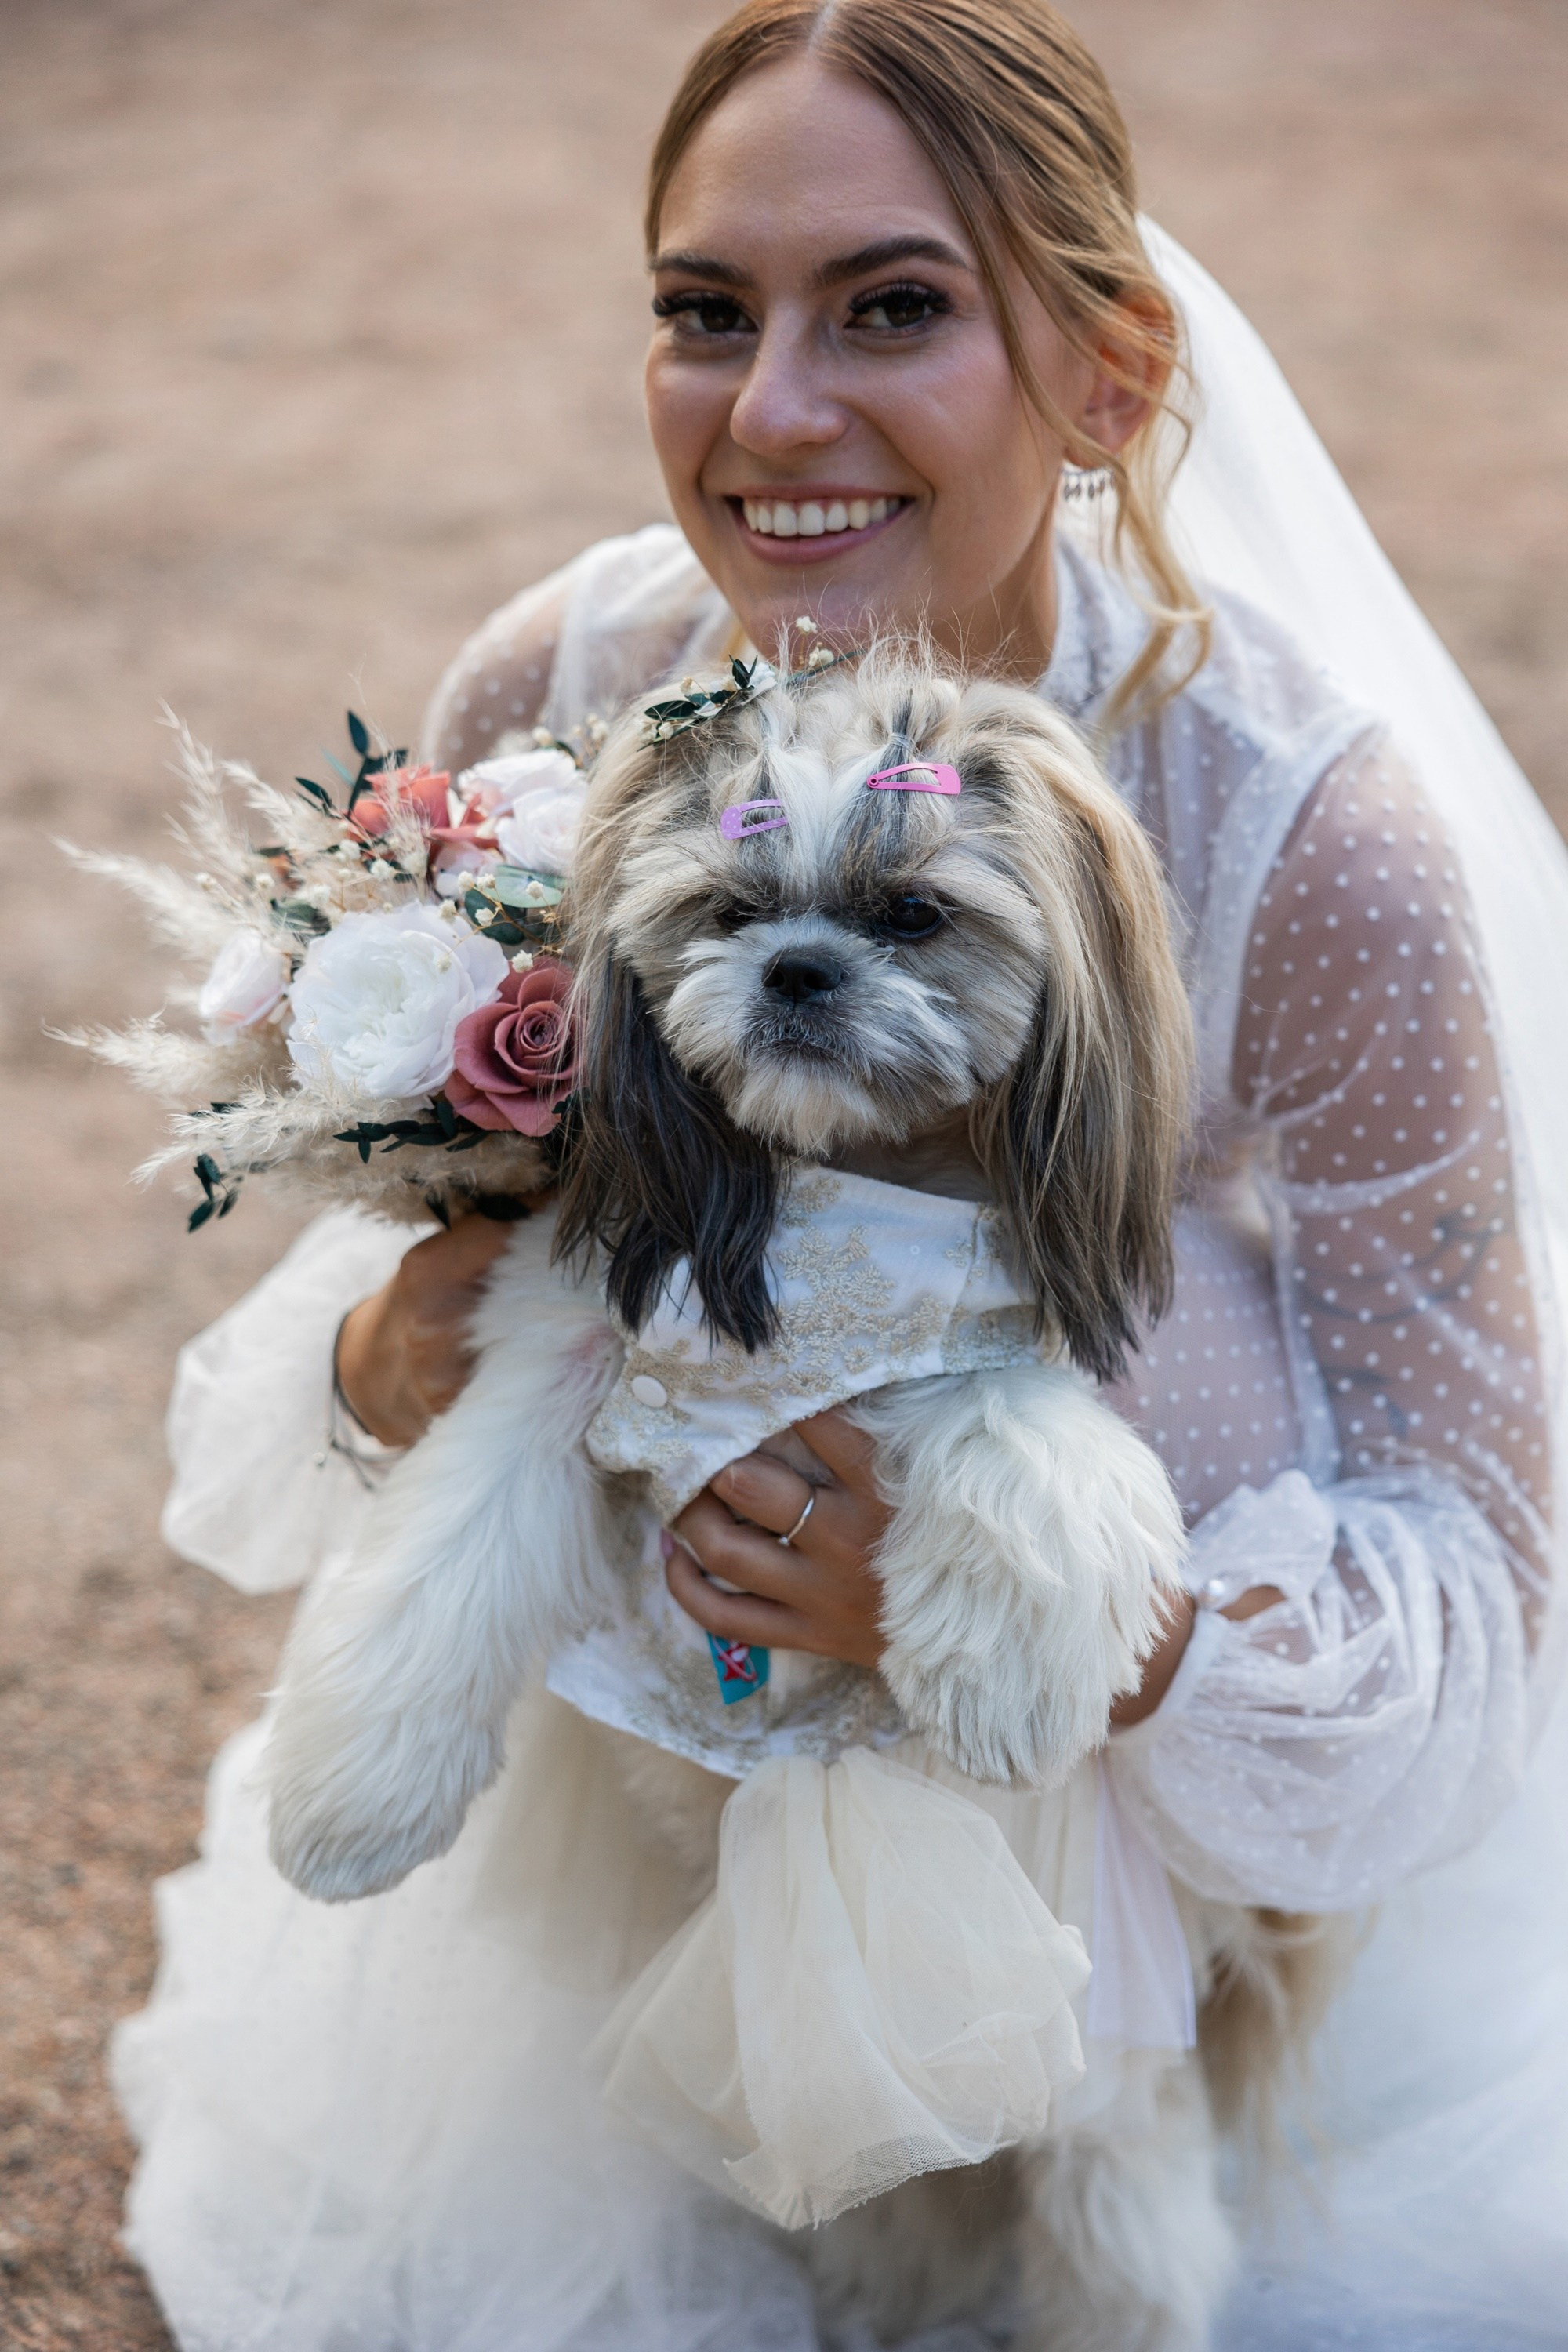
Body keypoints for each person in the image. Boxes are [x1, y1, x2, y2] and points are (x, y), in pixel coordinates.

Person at [112, 4, 1568, 2347]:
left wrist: (1081, 1633)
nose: (771, 413)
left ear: (1108, 375)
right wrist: (389, 1354)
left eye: (891, 307)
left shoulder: (1307, 831)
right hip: (627, 1784)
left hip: (1149, 1864)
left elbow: (1487, 1584)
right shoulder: (566, 680)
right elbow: (439, 1305)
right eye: (706, 313)